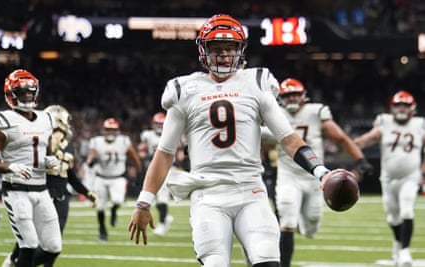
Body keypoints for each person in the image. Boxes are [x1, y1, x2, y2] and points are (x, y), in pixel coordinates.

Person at [128, 14, 351, 267]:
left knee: (267, 260)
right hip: (207, 194)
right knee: (215, 262)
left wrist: (320, 171)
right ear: (204, 51)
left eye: (230, 48)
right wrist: (144, 202)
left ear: (240, 50)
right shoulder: (184, 90)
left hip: (250, 190)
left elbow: (288, 139)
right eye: (216, 49)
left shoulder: (256, 83)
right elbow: (165, 152)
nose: (223, 55)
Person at [261, 78, 373, 267]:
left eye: (296, 94)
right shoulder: (275, 113)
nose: (292, 99)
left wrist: (360, 159)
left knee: (311, 227)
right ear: (281, 98)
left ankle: (299, 224)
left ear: (304, 96)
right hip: (288, 175)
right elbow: (259, 138)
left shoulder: (315, 112)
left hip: (315, 178)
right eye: (288, 95)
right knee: (287, 220)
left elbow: (340, 138)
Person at [0, 69, 62, 267]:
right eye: (22, 92)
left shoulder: (46, 118)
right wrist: (10, 167)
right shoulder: (2, 120)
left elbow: (46, 152)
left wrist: (50, 161)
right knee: (29, 244)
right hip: (16, 190)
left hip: (42, 190)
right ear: (11, 94)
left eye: (30, 91)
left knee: (53, 246)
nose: (27, 95)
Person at [2, 105, 99, 267]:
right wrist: (50, 146)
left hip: (61, 198)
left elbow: (70, 174)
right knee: (29, 239)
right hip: (41, 194)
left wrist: (87, 192)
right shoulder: (37, 139)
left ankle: (18, 262)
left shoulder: (68, 145)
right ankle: (14, 260)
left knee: (54, 245)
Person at [354, 90, 425, 267]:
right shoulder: (384, 122)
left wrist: (423, 172)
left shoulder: (419, 124)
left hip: (411, 176)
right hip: (388, 178)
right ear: (392, 107)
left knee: (407, 210)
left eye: (405, 105)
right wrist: (353, 145)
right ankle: (398, 244)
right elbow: (370, 138)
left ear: (413, 108)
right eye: (398, 105)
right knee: (393, 218)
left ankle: (405, 252)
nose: (401, 109)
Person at [86, 117, 142, 241]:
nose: (110, 132)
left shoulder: (123, 141)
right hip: (101, 177)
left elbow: (134, 157)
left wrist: (139, 172)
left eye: (113, 130)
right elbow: (92, 154)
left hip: (118, 178)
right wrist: (91, 160)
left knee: (117, 201)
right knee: (100, 206)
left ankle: (114, 211)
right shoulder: (97, 141)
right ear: (104, 130)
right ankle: (102, 231)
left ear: (117, 131)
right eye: (108, 130)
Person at [139, 112, 174, 236]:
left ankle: (162, 224)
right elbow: (142, 151)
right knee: (152, 198)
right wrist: (145, 156)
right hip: (153, 168)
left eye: (161, 124)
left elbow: (179, 151)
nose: (159, 127)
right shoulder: (147, 135)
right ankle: (165, 217)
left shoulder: (172, 133)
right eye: (157, 124)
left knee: (162, 197)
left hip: (167, 168)